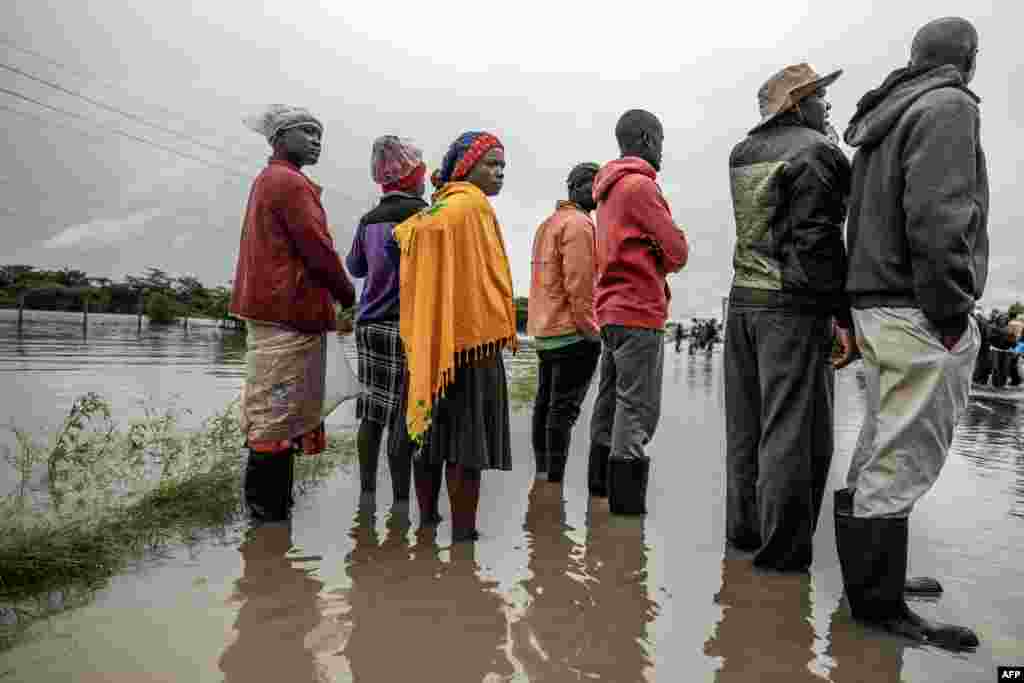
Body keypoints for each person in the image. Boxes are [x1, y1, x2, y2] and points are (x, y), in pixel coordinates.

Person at [839, 17, 987, 650]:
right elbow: (938, 213)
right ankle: (877, 608)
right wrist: (952, 308)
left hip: (875, 300)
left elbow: (862, 219)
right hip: (915, 304)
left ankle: (876, 584)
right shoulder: (948, 104)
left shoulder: (884, 119)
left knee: (879, 442)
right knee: (899, 455)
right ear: (968, 59)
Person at [723, 63, 855, 572]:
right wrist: (841, 314)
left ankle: (744, 535)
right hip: (791, 308)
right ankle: (781, 557)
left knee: (746, 428)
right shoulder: (818, 152)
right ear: (798, 104)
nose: (828, 107)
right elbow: (818, 243)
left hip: (743, 303)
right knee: (792, 434)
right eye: (821, 98)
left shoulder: (742, 152)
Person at [231, 105, 355, 522]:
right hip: (288, 310)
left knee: (273, 411)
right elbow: (317, 247)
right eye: (307, 132)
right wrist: (345, 291)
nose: (317, 140)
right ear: (280, 138)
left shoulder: (271, 180)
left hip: (274, 310)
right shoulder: (288, 182)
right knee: (276, 415)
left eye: (320, 133)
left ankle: (269, 519)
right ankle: (267, 520)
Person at [394, 131, 517, 541]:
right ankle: (464, 539)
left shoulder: (449, 202)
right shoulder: (467, 203)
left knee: (428, 434)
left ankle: (427, 524)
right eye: (492, 164)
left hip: (434, 342)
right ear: (467, 167)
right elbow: (420, 231)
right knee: (466, 448)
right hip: (470, 342)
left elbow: (417, 234)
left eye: (502, 166)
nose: (500, 172)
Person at [587, 109, 688, 513]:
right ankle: (626, 512)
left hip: (609, 310)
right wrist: (663, 251)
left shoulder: (607, 191)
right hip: (639, 311)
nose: (662, 150)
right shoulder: (642, 188)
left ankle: (599, 489)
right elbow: (677, 252)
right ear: (647, 139)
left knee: (609, 401)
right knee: (637, 409)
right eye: (660, 141)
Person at [346, 136, 428, 503]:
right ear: (413, 176)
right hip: (405, 326)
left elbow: (355, 266)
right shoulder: (424, 216)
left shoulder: (368, 220)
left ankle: (366, 493)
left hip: (368, 325)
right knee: (403, 413)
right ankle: (400, 501)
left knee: (371, 411)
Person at [527, 162, 602, 483]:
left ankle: (543, 476)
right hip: (572, 333)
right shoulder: (581, 225)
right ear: (579, 188)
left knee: (545, 405)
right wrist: (592, 332)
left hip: (545, 332)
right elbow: (580, 284)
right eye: (595, 186)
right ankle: (553, 484)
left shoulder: (548, 224)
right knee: (562, 411)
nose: (599, 192)